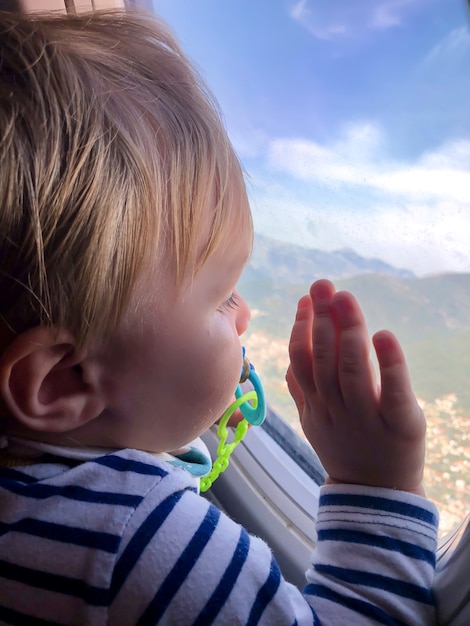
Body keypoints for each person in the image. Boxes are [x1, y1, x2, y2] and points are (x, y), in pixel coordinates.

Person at [0, 9, 438, 625]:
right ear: (63, 382)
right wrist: (376, 484)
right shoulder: (142, 544)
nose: (244, 314)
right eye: (221, 298)